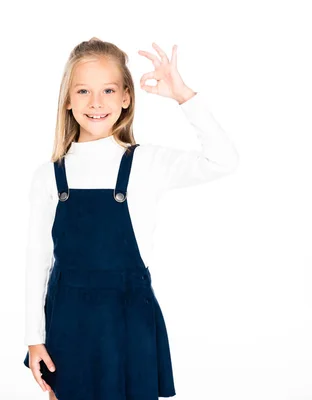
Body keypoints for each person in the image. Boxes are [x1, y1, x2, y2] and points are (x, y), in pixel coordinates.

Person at [24, 38, 239, 400]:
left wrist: (184, 95)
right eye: (83, 91)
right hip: (69, 324)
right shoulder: (49, 176)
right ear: (68, 100)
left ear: (126, 96)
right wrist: (34, 338)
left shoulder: (147, 163)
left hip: (130, 322)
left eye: (108, 90)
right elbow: (38, 262)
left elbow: (223, 161)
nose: (96, 103)